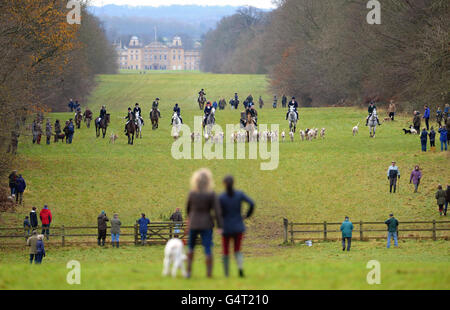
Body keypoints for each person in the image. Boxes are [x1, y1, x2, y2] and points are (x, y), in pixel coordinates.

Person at [185, 168, 223, 279]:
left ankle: (188, 272)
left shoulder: (192, 193)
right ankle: (209, 273)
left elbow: (187, 209)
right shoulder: (211, 194)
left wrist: (190, 219)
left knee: (191, 247)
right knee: (207, 248)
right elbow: (217, 211)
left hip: (193, 223)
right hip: (206, 224)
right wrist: (220, 226)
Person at [218, 175, 254, 278]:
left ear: (224, 184)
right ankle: (240, 269)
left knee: (225, 250)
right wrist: (247, 215)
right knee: (237, 250)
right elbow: (252, 203)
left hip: (226, 227)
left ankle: (226, 273)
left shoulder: (221, 197)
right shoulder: (239, 194)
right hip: (238, 226)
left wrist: (219, 226)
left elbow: (218, 212)